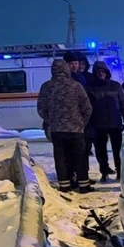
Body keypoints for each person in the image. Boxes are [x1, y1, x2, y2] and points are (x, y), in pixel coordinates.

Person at [37, 59, 93, 193]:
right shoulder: (76, 86)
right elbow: (87, 108)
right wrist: (81, 123)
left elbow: (41, 108)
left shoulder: (46, 87)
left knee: (61, 158)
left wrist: (51, 121)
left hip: (57, 130)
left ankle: (64, 185)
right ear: (67, 70)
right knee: (79, 157)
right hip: (76, 129)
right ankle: (84, 185)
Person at [87, 61, 124, 181]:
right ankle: (104, 172)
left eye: (103, 71)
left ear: (106, 72)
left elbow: (123, 102)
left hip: (115, 123)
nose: (101, 74)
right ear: (95, 73)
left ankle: (120, 171)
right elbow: (88, 106)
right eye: (98, 72)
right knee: (101, 151)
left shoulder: (115, 86)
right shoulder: (90, 87)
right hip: (98, 124)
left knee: (118, 151)